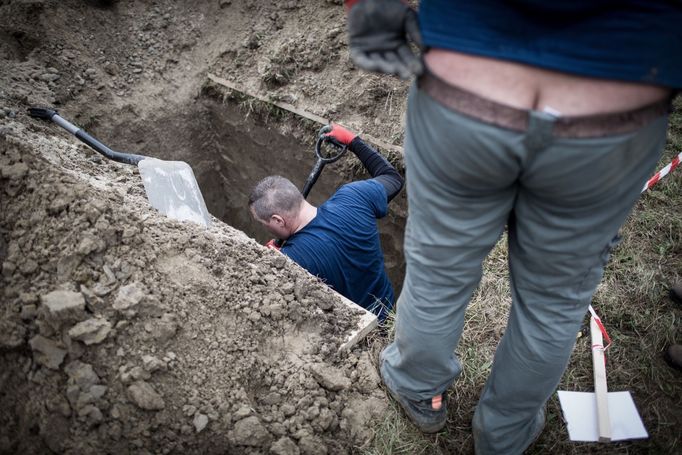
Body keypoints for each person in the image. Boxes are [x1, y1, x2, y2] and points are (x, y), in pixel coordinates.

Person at [343, 0, 681, 452]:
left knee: (439, 269)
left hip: (466, 91)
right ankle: (503, 434)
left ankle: (418, 387)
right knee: (554, 301)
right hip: (611, 113)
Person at [248, 124, 404, 321]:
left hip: (356, 330)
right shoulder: (355, 196)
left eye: (263, 222)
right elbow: (392, 178)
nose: (264, 227)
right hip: (387, 313)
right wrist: (353, 142)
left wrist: (275, 262)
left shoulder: (291, 262)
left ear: (278, 220)